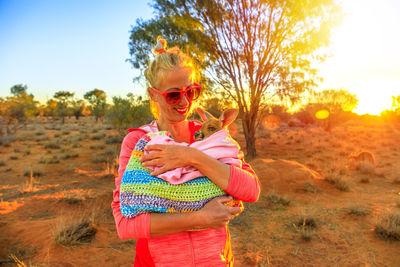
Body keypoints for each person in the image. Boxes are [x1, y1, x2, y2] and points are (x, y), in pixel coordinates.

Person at [111, 36, 260, 266]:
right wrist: (201, 217)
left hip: (216, 259)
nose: (184, 102)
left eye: (190, 92)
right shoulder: (138, 141)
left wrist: (191, 156)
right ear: (153, 95)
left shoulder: (211, 135)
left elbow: (251, 190)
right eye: (173, 95)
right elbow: (125, 224)